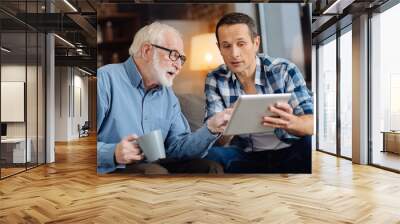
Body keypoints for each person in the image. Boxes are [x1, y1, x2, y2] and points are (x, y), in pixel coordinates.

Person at [97, 22, 232, 174]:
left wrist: (211, 128)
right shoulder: (105, 80)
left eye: (181, 59)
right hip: (114, 168)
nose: (179, 66)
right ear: (147, 50)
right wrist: (113, 152)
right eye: (174, 55)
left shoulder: (167, 95)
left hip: (154, 166)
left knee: (210, 168)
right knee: (153, 172)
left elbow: (177, 148)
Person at [204, 12, 314, 173]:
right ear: (219, 48)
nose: (234, 54)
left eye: (241, 44)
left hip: (290, 149)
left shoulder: (283, 70)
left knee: (309, 144)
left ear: (256, 43)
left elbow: (311, 123)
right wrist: (229, 123)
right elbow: (216, 141)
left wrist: (291, 123)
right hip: (248, 155)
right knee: (208, 155)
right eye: (226, 46)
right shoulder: (214, 79)